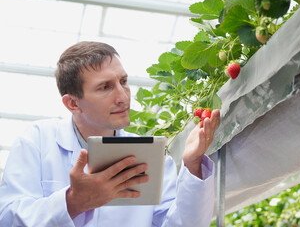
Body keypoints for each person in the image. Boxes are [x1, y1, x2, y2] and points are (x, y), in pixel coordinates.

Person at [0, 41, 220, 226]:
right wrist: (73, 202)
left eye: (123, 82)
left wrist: (192, 165)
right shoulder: (37, 141)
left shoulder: (152, 157)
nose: (123, 97)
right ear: (73, 103)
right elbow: (7, 218)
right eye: (105, 87)